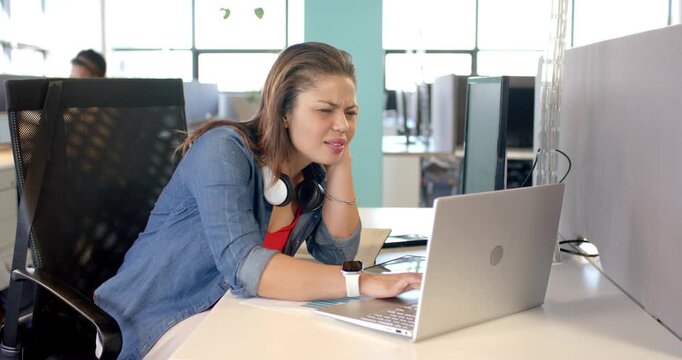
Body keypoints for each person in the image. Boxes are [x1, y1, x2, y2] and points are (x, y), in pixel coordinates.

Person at [94, 42, 422, 359]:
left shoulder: (309, 173)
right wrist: (362, 283)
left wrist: (341, 160)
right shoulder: (222, 150)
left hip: (232, 312)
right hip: (155, 324)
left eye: (350, 113)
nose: (343, 124)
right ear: (283, 112)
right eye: (325, 111)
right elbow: (246, 268)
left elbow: (338, 254)